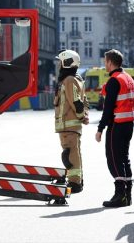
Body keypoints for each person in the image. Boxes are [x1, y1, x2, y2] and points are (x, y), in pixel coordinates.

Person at [95, 49, 134, 207]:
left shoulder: (114, 80)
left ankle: (120, 195)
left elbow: (108, 108)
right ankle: (127, 195)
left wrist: (100, 129)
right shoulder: (128, 77)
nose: (104, 64)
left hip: (117, 124)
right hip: (129, 124)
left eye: (105, 61)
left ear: (110, 62)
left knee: (113, 159)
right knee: (124, 158)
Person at [54, 50, 89, 194]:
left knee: (70, 154)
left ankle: (75, 183)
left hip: (68, 125)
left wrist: (81, 116)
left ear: (66, 63)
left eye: (60, 62)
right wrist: (84, 116)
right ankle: (77, 179)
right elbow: (84, 102)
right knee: (74, 153)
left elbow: (76, 102)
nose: (58, 65)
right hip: (70, 126)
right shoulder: (76, 80)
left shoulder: (69, 80)